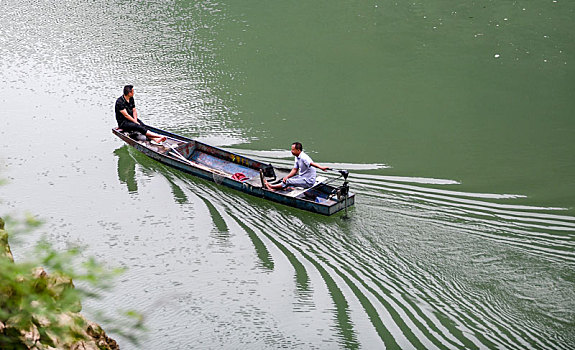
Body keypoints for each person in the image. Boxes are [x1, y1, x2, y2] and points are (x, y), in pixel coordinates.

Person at [264, 142, 329, 190]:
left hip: (308, 181)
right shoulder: (297, 157)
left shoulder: (304, 157)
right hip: (302, 177)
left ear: (298, 150)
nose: (291, 151)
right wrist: (287, 176)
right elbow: (295, 169)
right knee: (287, 179)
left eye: (293, 150)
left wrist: (321, 167)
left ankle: (271, 187)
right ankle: (280, 187)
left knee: (288, 181)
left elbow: (312, 163)